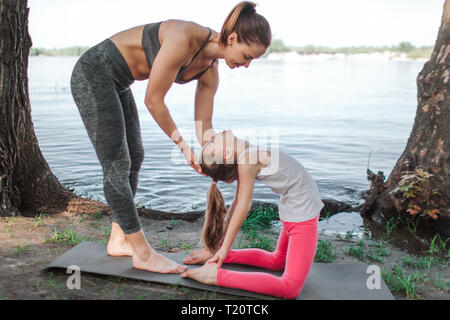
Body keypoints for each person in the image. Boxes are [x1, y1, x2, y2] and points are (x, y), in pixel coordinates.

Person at [70, 1, 271, 274]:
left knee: (135, 156)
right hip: (94, 73)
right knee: (117, 165)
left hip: (118, 83)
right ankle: (142, 253)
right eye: (248, 56)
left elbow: (205, 131)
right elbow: (153, 100)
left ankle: (119, 239)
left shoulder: (211, 71)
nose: (247, 65)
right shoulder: (185, 37)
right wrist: (181, 145)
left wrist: (224, 156)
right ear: (233, 39)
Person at [181, 130, 324, 299]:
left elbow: (237, 203)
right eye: (211, 145)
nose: (213, 137)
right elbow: (241, 204)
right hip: (302, 214)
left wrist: (219, 248)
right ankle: (215, 276)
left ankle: (219, 257)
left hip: (294, 207)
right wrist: (223, 247)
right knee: (290, 288)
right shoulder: (247, 158)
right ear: (226, 154)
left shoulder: (245, 155)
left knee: (277, 261)